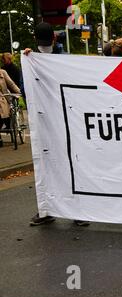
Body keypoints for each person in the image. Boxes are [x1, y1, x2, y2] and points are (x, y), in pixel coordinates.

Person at [24, 22, 90, 227]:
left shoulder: (62, 59)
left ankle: (74, 210)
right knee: (47, 165)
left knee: (68, 165)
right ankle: (48, 209)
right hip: (47, 120)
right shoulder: (33, 59)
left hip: (63, 120)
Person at [0, 66, 21, 148]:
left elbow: (11, 84)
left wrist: (20, 92)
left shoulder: (2, 72)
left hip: (3, 99)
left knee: (3, 110)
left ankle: (8, 124)